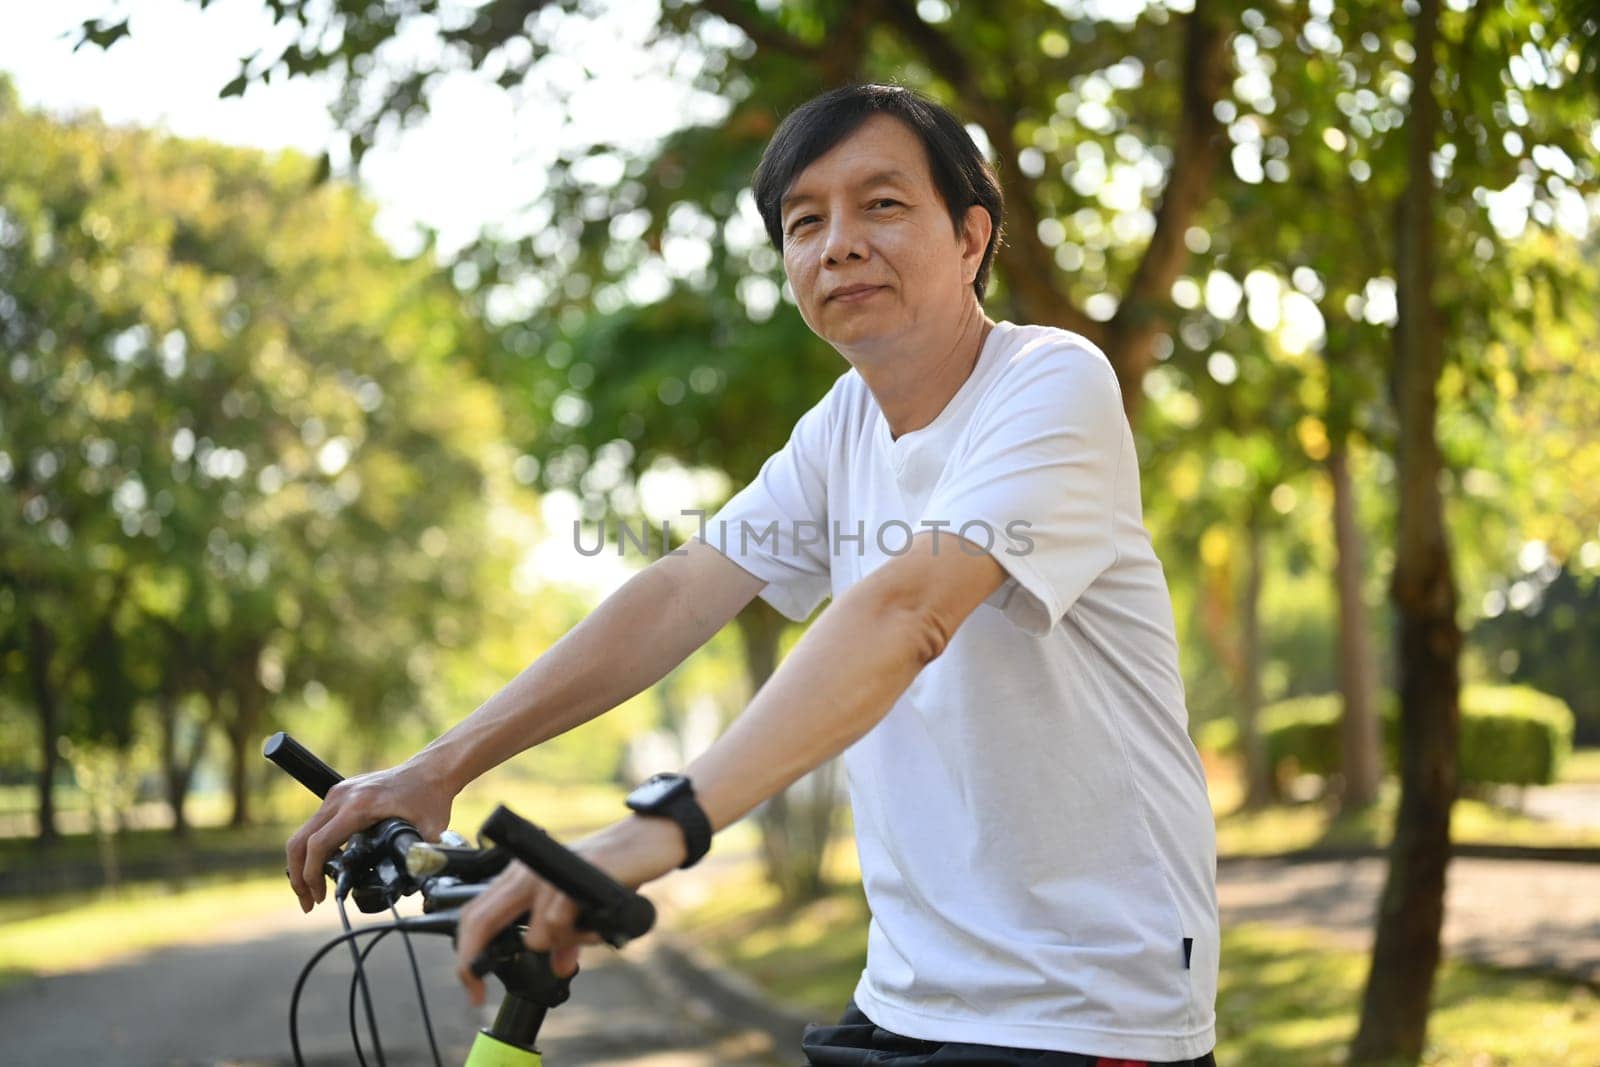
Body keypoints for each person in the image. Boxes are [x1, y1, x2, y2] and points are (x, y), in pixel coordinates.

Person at [285, 83, 1219, 1066]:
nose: (838, 243)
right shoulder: (841, 426)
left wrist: (663, 826)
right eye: (803, 221)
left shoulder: (1048, 381)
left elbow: (906, 610)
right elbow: (684, 589)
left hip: (1083, 1001)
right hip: (907, 988)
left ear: (971, 238)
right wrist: (440, 764)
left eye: (882, 204)